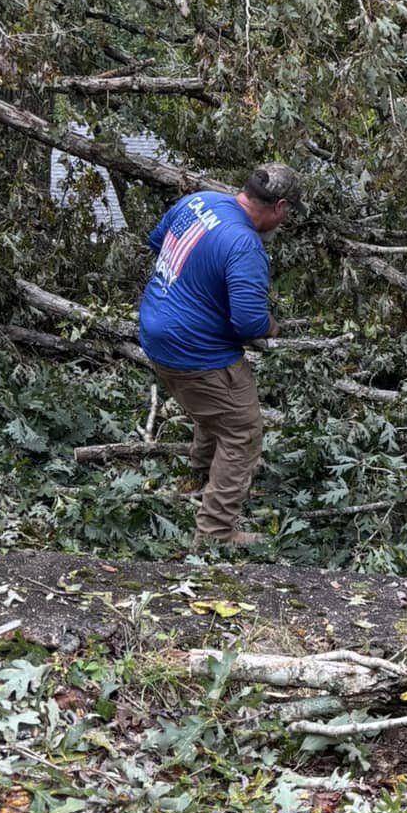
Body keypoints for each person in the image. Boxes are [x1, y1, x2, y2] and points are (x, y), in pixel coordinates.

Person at [137, 164, 301, 549]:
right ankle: (215, 533)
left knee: (213, 407)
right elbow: (248, 322)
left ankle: (198, 473)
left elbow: (157, 242)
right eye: (289, 211)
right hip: (194, 350)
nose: (287, 219)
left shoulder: (198, 201)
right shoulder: (244, 244)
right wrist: (272, 326)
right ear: (279, 206)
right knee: (242, 430)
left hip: (156, 332)